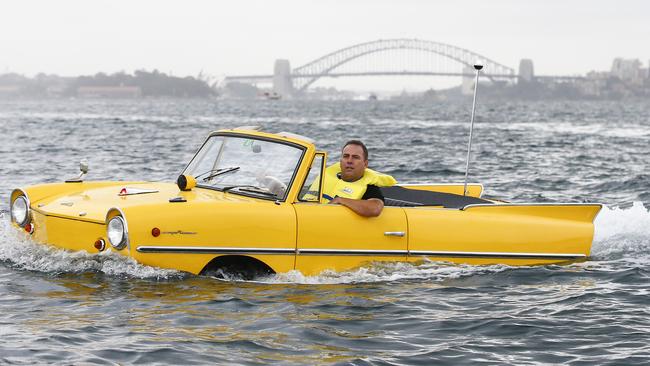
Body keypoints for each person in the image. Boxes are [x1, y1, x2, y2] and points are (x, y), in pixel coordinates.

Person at [322, 140, 396, 217]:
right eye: (346, 156)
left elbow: (375, 208)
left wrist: (340, 200)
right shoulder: (324, 180)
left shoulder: (369, 188)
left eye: (355, 157)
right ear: (340, 161)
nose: (349, 161)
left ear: (365, 164)